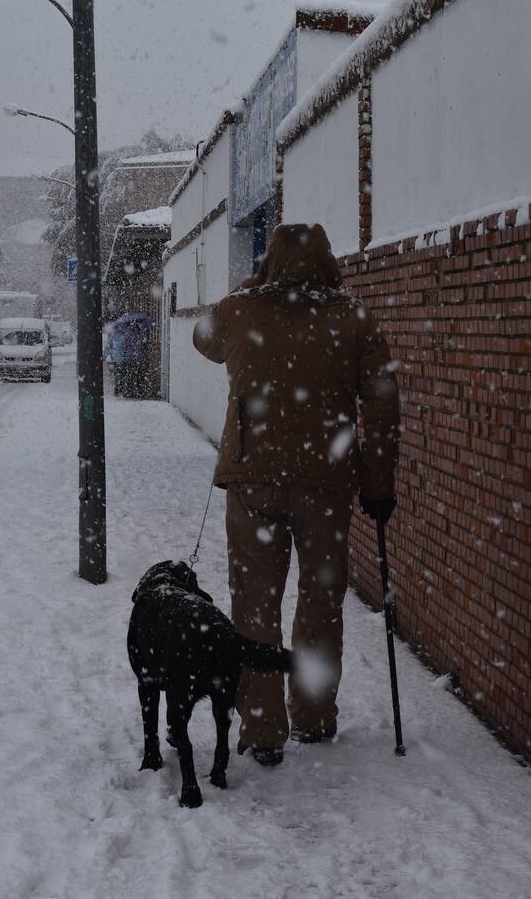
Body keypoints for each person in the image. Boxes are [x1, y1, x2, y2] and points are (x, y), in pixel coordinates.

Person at [192, 223, 400, 767]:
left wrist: (250, 285)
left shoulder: (242, 311)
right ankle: (313, 714)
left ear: (270, 262)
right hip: (326, 486)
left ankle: (262, 729)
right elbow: (381, 402)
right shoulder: (352, 317)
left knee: (254, 606)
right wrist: (380, 483)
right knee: (320, 601)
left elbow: (202, 336)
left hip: (253, 481)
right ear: (329, 262)